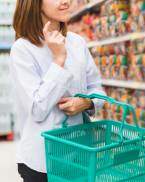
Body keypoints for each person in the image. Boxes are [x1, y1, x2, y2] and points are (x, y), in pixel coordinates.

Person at [10, 0, 106, 181]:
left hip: (79, 155)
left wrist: (86, 103)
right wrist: (59, 59)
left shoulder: (77, 43)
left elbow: (97, 90)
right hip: (41, 162)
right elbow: (38, 109)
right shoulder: (22, 49)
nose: (66, 1)